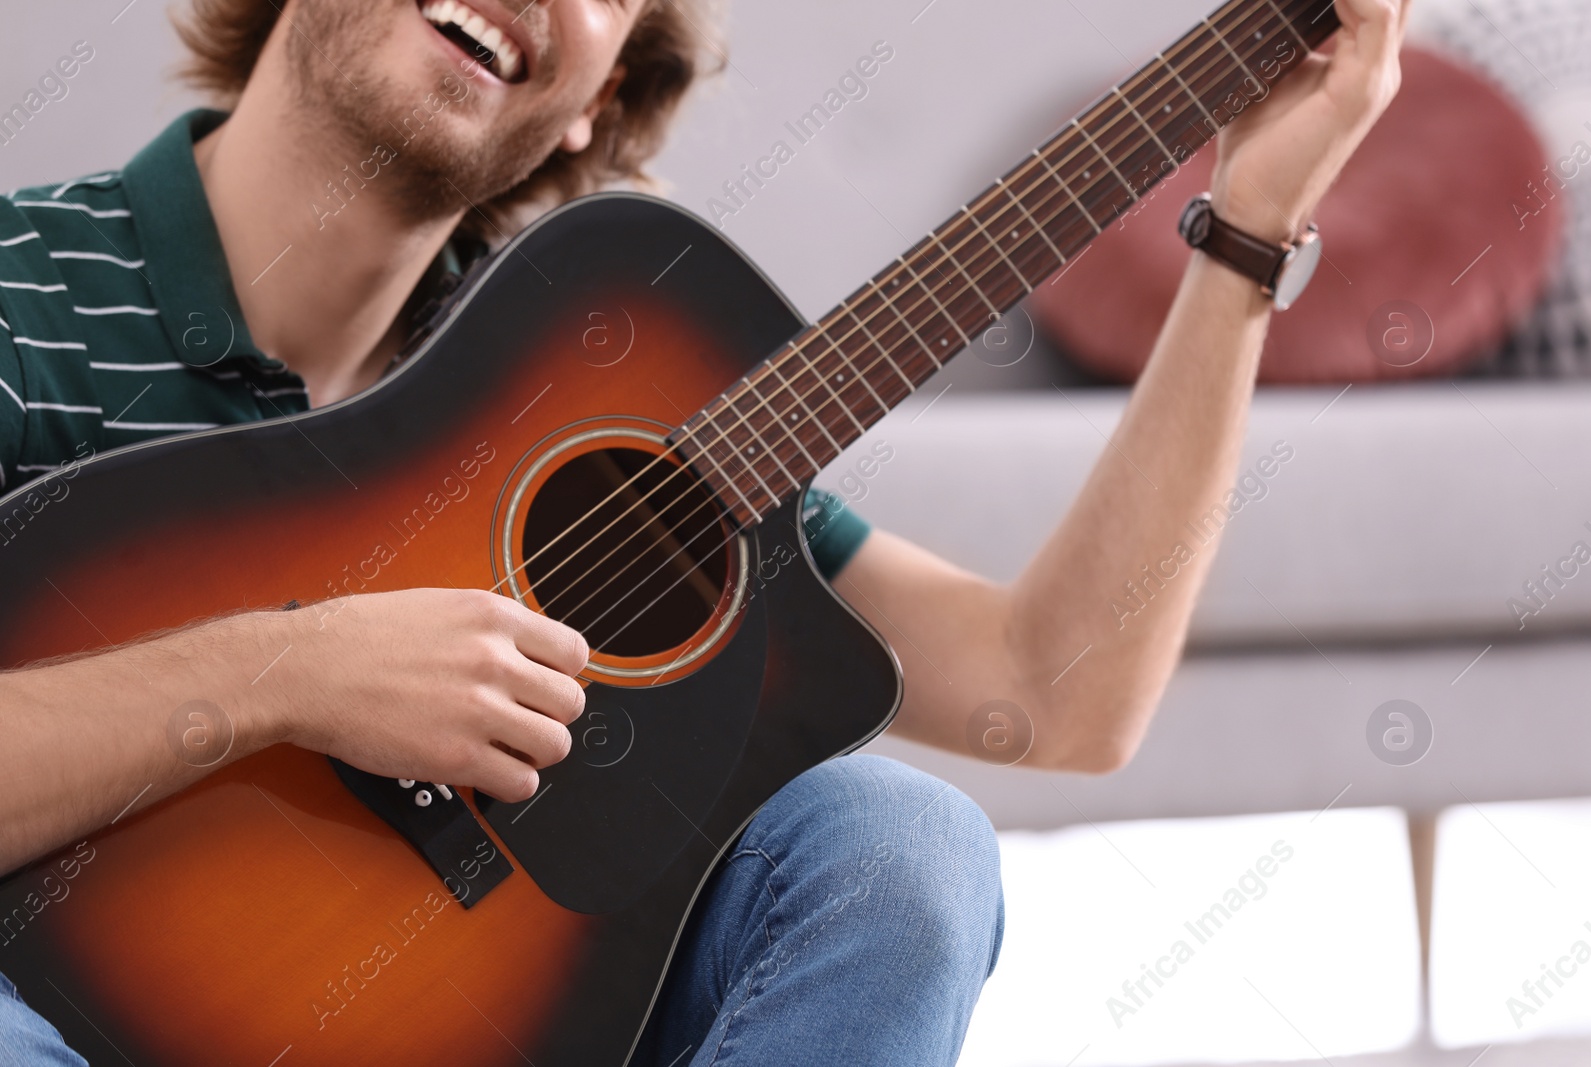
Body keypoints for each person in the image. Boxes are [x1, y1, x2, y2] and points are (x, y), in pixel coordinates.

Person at [0, 0, 1409, 1063]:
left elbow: (1049, 697)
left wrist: (1250, 235)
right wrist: (292, 675)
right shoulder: (21, 293)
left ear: (591, 107)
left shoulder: (598, 364)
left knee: (901, 843)